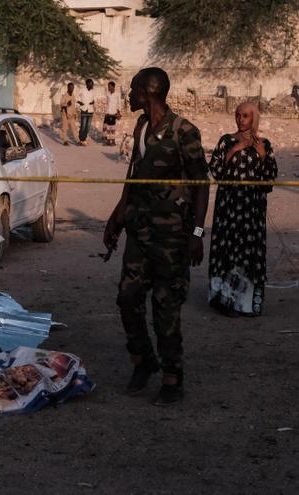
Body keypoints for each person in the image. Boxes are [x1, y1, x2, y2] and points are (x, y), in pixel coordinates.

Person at [103, 67, 210, 405]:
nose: (128, 95)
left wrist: (196, 233)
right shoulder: (140, 126)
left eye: (133, 89)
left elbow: (201, 184)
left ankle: (172, 377)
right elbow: (133, 175)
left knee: (165, 308)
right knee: (127, 299)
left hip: (172, 238)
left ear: (148, 91)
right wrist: (116, 217)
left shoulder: (184, 132)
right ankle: (143, 361)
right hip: (139, 231)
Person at [208, 102, 278, 316]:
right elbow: (215, 172)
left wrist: (263, 156)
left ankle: (246, 304)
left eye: (245, 115)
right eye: (238, 115)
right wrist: (231, 153)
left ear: (253, 118)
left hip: (252, 210)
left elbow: (270, 179)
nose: (241, 119)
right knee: (226, 250)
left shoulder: (264, 144)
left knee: (249, 252)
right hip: (227, 208)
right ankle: (224, 301)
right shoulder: (226, 141)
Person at [77, 79, 95, 145]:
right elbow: (76, 97)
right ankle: (81, 139)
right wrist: (80, 102)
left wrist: (93, 102)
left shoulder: (93, 91)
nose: (92, 85)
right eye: (90, 84)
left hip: (90, 109)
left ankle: (84, 138)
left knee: (88, 126)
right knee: (83, 125)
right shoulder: (82, 90)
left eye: (92, 84)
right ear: (87, 84)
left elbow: (93, 99)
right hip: (84, 109)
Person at [103, 81, 121, 146]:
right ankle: (108, 141)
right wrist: (106, 112)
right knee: (108, 128)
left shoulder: (117, 94)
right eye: (108, 86)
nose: (108, 88)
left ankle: (113, 141)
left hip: (114, 113)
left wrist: (118, 112)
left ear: (113, 87)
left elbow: (119, 103)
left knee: (113, 128)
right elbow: (107, 103)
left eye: (110, 86)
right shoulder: (107, 94)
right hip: (108, 112)